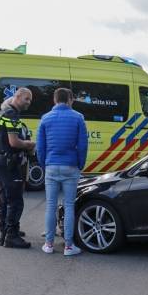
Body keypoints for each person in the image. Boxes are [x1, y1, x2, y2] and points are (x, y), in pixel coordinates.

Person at [37, 88, 88, 256]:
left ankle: (49, 244)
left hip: (51, 165)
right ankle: (68, 246)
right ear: (69, 100)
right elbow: (82, 145)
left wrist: (44, 165)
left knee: (50, 206)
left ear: (54, 99)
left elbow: (41, 148)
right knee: (69, 206)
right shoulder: (78, 118)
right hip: (71, 166)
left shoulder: (45, 118)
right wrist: (80, 164)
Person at [0, 88, 35, 248]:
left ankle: (4, 231)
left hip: (1, 159)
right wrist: (30, 144)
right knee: (16, 200)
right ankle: (11, 235)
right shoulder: (11, 115)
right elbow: (14, 142)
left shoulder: (2, 112)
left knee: (4, 198)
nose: (28, 103)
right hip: (9, 161)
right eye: (26, 99)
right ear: (17, 97)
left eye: (30, 100)